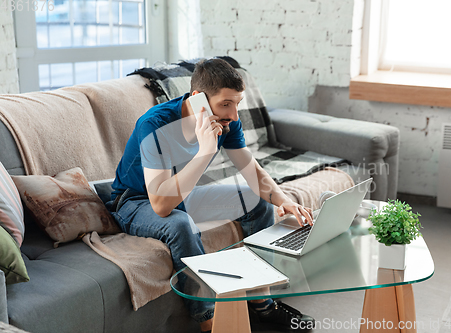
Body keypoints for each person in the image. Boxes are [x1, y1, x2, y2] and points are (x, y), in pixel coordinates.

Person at [108, 58, 315, 332]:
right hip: (135, 201)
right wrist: (205, 152)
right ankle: (211, 322)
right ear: (198, 100)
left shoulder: (226, 121)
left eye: (237, 103)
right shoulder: (155, 124)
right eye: (226, 104)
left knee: (258, 203)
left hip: (182, 195)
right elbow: (160, 205)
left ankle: (262, 303)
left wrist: (283, 200)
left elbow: (252, 171)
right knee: (181, 224)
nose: (234, 114)